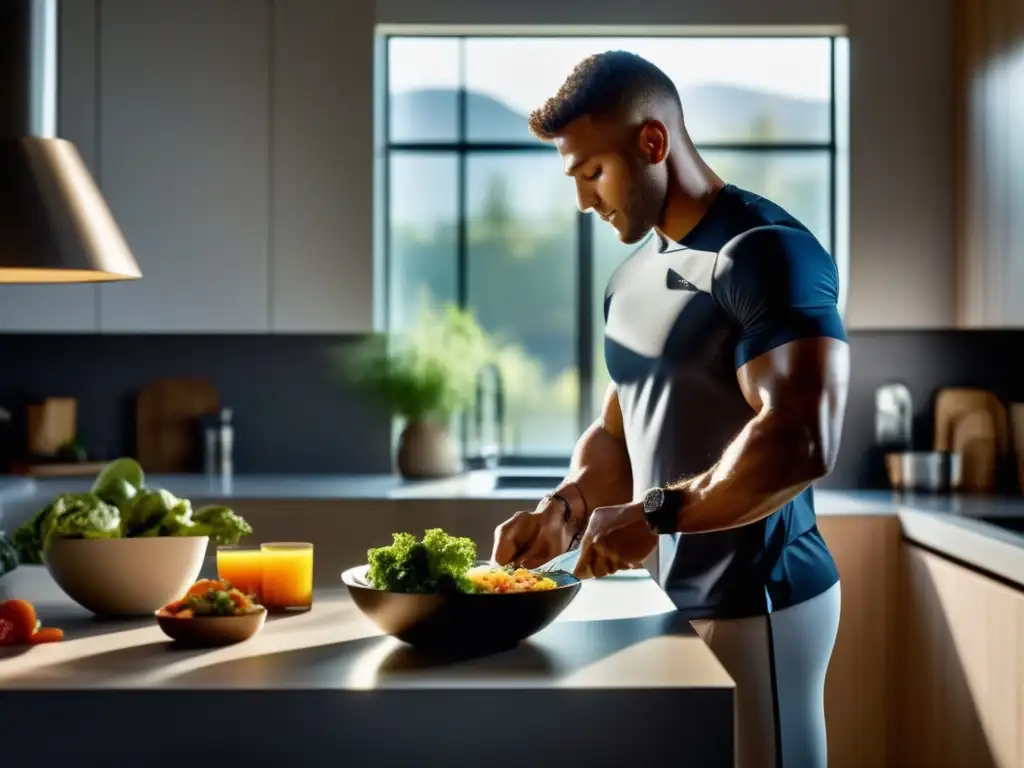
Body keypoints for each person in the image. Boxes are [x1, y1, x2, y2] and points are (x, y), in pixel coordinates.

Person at [490, 51, 850, 768]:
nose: (584, 201)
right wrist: (563, 509)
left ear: (652, 143)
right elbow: (620, 429)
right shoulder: (629, 281)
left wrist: (656, 516)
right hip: (663, 602)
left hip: (760, 604)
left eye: (593, 173)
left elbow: (800, 440)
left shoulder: (766, 252)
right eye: (575, 178)